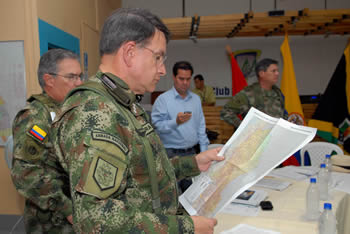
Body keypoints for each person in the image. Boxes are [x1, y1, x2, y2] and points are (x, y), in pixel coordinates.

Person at [50, 8, 222, 233]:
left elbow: (141, 171)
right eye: (158, 57)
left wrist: (193, 163)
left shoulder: (122, 103)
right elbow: (96, 219)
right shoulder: (96, 112)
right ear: (130, 52)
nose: (162, 70)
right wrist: (185, 228)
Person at [11, 48, 83, 233]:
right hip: (52, 220)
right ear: (49, 80)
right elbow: (26, 174)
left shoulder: (66, 111)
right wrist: (67, 208)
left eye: (80, 76)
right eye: (72, 77)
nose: (79, 83)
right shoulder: (35, 118)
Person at [152, 61, 210, 192]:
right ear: (174, 77)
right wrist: (176, 122)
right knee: (172, 195)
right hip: (170, 154)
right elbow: (158, 127)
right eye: (181, 79)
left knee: (193, 192)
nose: (185, 82)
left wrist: (204, 150)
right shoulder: (163, 100)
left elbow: (201, 126)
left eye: (188, 79)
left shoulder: (195, 99)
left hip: (192, 153)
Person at [221, 58, 288, 128]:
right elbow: (226, 112)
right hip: (256, 137)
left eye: (277, 71)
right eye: (273, 71)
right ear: (262, 73)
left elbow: (282, 114)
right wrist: (244, 127)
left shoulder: (277, 92)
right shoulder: (248, 93)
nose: (277, 73)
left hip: (276, 136)